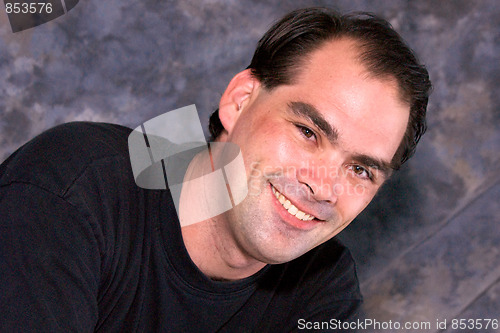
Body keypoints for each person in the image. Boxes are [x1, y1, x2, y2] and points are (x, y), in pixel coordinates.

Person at [0, 7, 431, 332]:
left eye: (360, 170)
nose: (323, 188)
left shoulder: (322, 285)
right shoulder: (73, 186)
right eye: (308, 132)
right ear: (239, 101)